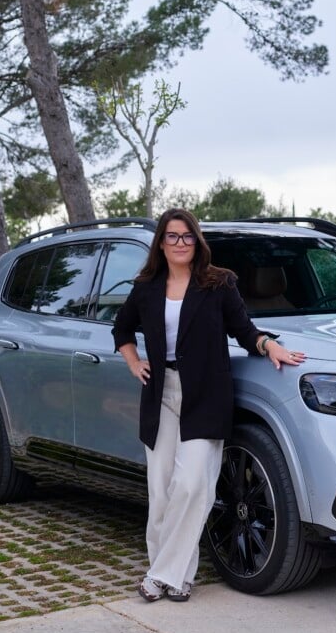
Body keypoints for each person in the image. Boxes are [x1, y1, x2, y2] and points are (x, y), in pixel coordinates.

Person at [112, 208, 305, 602]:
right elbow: (121, 328)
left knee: (191, 487)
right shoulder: (146, 287)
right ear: (161, 243)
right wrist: (134, 362)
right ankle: (177, 579)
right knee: (161, 492)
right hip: (160, 394)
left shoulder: (218, 283)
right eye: (172, 236)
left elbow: (244, 330)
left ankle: (158, 575)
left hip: (205, 395)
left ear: (197, 241)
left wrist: (269, 346)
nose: (180, 243)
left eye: (187, 236)